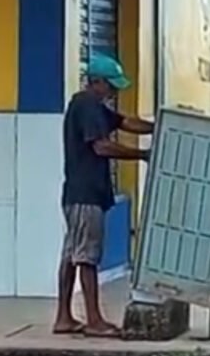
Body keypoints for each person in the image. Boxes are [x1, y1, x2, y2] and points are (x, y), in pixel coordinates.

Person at [53, 53, 154, 338]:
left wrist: (160, 126)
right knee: (86, 257)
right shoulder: (87, 105)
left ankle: (64, 317)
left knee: (72, 254)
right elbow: (101, 147)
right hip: (85, 195)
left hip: (77, 193)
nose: (115, 92)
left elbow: (125, 122)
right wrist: (142, 155)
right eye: (111, 86)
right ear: (96, 82)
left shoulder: (93, 106)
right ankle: (94, 320)